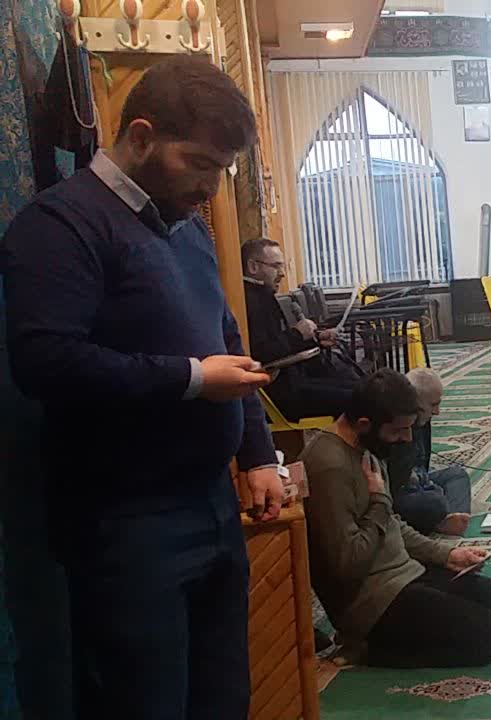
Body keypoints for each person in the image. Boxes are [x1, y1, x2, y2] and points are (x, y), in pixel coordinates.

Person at [0, 56, 285, 717]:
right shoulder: (60, 225)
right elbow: (46, 361)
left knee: (222, 700)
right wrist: (192, 379)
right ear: (141, 136)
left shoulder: (185, 228)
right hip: (125, 522)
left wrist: (257, 454)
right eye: (199, 163)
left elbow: (226, 344)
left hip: (212, 506)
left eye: (222, 170)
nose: (210, 186)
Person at [302, 369, 491, 668]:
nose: (406, 438)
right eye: (398, 431)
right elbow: (348, 562)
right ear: (365, 424)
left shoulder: (366, 445)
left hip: (405, 573)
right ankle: (368, 648)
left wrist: (446, 555)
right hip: (373, 601)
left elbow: (392, 524)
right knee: (488, 637)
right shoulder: (329, 467)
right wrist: (379, 500)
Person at [241, 237, 361, 420]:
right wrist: (297, 334)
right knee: (363, 398)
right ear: (253, 267)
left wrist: (315, 338)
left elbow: (280, 345)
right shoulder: (248, 302)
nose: (282, 273)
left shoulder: (263, 297)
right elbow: (261, 354)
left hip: (294, 381)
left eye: (283, 266)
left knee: (363, 390)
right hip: (280, 394)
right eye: (276, 266)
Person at [387, 367, 472, 536]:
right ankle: (442, 517)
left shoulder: (423, 422)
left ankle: (451, 517)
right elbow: (397, 479)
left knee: (457, 475)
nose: (437, 411)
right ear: (415, 403)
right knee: (433, 501)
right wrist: (430, 488)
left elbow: (423, 464)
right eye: (433, 405)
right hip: (401, 489)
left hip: (421, 481)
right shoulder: (398, 425)